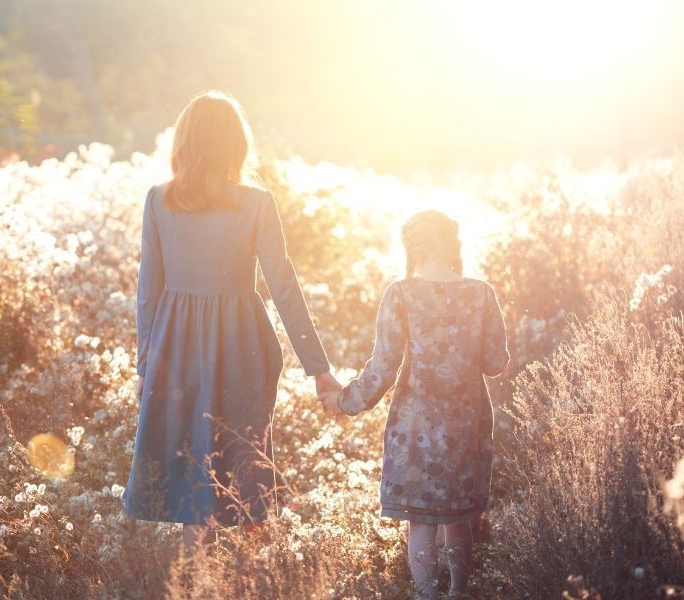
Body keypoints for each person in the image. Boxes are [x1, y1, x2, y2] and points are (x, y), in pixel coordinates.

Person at [124, 90, 342, 555]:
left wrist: (146, 366)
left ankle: (195, 581)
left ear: (184, 142)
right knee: (248, 466)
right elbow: (283, 286)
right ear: (236, 145)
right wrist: (318, 368)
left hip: (176, 347)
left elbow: (149, 292)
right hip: (243, 345)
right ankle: (254, 579)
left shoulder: (160, 201)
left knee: (191, 477)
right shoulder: (256, 202)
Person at [320, 210, 509, 599]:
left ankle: (427, 596)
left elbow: (383, 369)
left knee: (420, 522)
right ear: (453, 244)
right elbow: (495, 363)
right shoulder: (481, 293)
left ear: (412, 247)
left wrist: (344, 402)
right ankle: (457, 594)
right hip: (467, 425)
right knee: (459, 519)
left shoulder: (401, 294)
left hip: (415, 427)